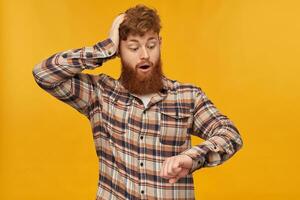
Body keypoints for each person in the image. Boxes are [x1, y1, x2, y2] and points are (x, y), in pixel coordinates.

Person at [32, 4, 243, 200]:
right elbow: (44, 74)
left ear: (160, 44)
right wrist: (105, 49)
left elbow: (229, 134)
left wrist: (192, 157)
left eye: (151, 45)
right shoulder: (99, 94)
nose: (145, 55)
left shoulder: (187, 97)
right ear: (119, 52)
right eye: (133, 48)